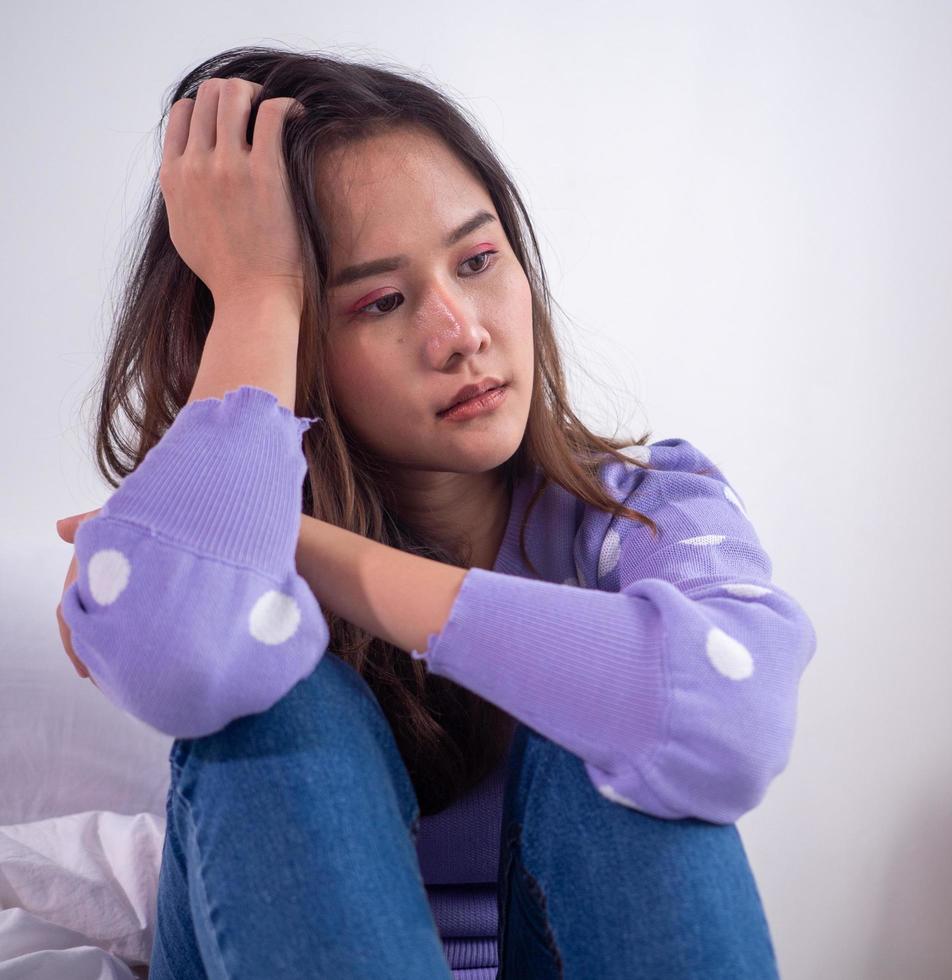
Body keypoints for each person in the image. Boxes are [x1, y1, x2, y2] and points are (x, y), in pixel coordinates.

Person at [54, 45, 817, 979]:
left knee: (607, 707)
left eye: (479, 258)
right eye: (381, 301)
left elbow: (733, 728)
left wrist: (303, 548)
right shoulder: (223, 554)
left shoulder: (652, 506)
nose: (463, 333)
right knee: (283, 705)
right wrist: (255, 289)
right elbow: (184, 661)